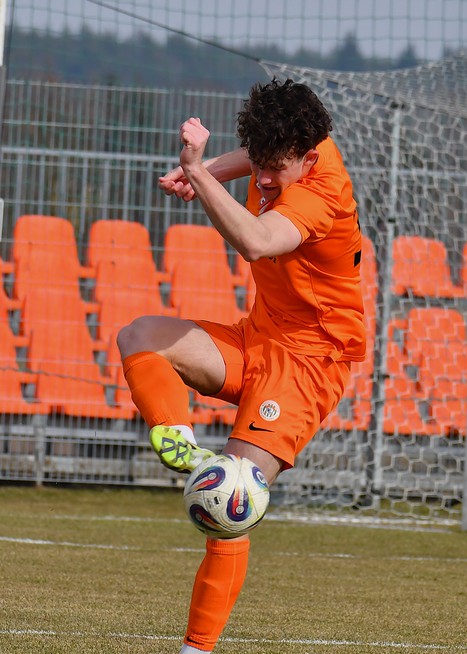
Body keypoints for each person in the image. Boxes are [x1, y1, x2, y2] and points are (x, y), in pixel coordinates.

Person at [117, 78, 366, 654]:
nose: (264, 179)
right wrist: (203, 173)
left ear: (308, 160)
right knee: (141, 335)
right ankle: (178, 440)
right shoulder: (287, 149)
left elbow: (255, 241)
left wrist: (198, 171)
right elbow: (256, 156)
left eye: (276, 169)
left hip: (308, 362)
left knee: (233, 501)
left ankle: (196, 648)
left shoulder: (320, 194)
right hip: (259, 335)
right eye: (260, 163)